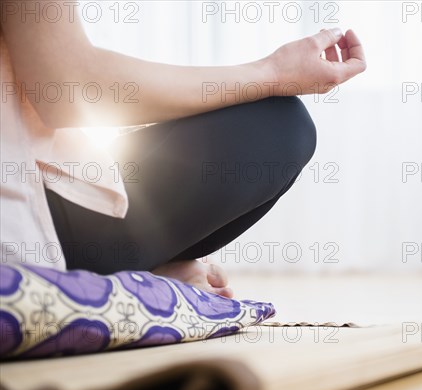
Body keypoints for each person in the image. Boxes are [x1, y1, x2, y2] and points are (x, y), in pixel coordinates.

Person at [0, 2, 366, 298]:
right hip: (20, 228)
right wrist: (273, 72)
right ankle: (124, 274)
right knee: (278, 123)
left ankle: (142, 266)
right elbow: (69, 87)